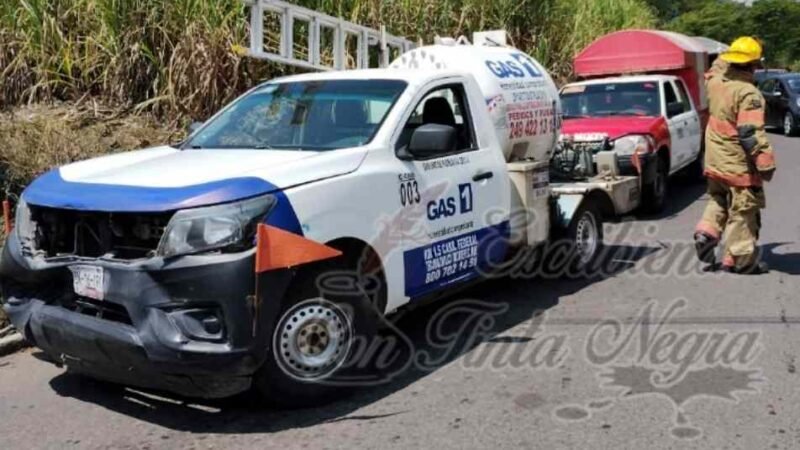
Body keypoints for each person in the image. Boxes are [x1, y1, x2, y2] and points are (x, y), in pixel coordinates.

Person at [694, 37, 777, 274]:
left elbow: (716, 67)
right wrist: (765, 164)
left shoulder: (715, 82)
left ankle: (706, 232)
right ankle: (742, 261)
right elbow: (750, 133)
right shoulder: (748, 93)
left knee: (718, 198)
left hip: (714, 159)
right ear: (754, 64)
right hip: (737, 163)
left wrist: (733, 52)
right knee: (744, 209)